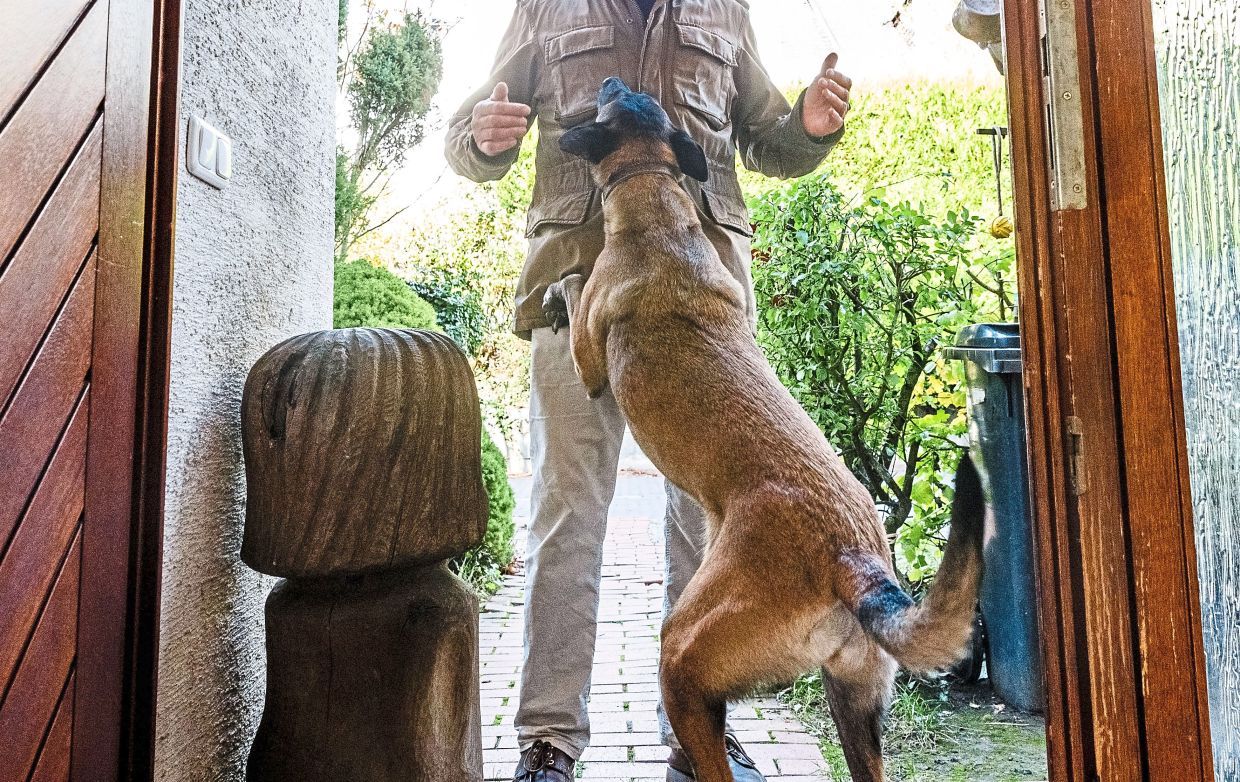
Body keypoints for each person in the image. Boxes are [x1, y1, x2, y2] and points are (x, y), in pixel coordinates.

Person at [445, 2, 852, 780]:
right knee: (565, 516)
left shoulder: (725, 13)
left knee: (706, 529)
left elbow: (769, 142)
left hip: (706, 320)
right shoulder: (544, 9)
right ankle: (547, 742)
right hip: (578, 299)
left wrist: (810, 124)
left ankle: (702, 736)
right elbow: (467, 137)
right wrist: (482, 139)